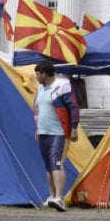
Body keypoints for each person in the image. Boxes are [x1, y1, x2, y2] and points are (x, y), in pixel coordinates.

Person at [34, 61, 79, 212]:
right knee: (48, 166)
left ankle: (59, 198)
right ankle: (52, 196)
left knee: (57, 163)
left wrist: (74, 128)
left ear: (44, 74)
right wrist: (38, 128)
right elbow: (38, 110)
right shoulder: (40, 88)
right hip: (44, 132)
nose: (36, 77)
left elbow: (73, 107)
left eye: (38, 74)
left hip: (58, 132)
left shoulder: (62, 86)